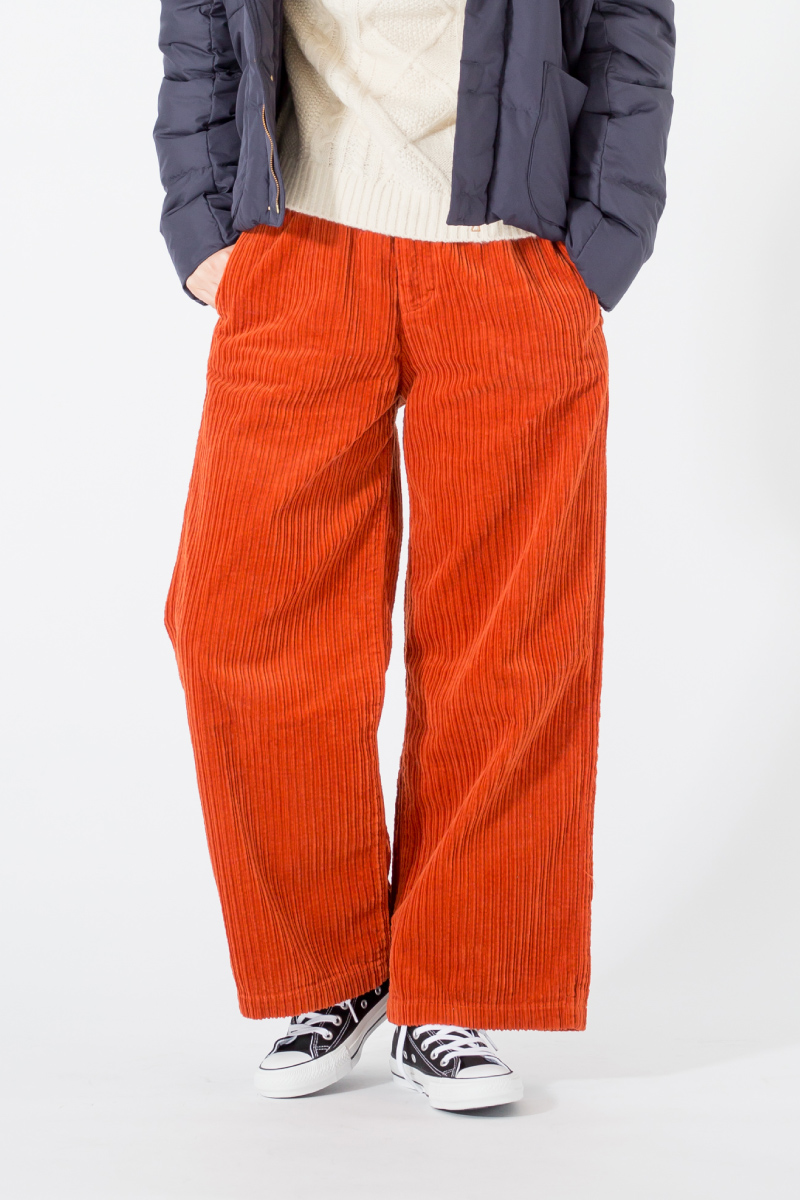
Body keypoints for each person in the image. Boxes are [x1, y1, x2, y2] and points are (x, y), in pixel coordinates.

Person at [154, 0, 675, 1112]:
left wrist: (604, 238)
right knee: (235, 621)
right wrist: (201, 224)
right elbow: (200, 17)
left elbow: (631, 19)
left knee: (506, 642)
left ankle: (454, 986)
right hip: (298, 239)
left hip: (512, 252)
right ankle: (333, 970)